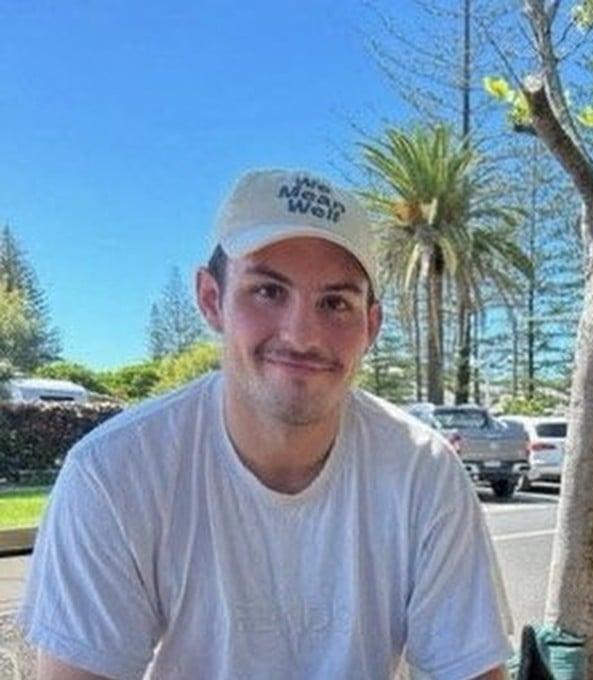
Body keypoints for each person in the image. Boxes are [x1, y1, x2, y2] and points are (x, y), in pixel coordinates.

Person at [19, 168, 511, 679]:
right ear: (212, 300)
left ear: (371, 326)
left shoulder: (424, 473)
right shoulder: (113, 474)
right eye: (268, 292)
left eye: (335, 303)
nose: (302, 334)